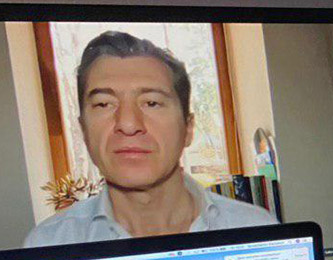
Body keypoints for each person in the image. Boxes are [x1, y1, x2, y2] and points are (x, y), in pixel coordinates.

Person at [25, 31, 275, 247]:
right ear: (83, 129)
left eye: (152, 103)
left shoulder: (257, 232)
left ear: (188, 129)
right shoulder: (48, 245)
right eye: (103, 104)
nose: (128, 124)